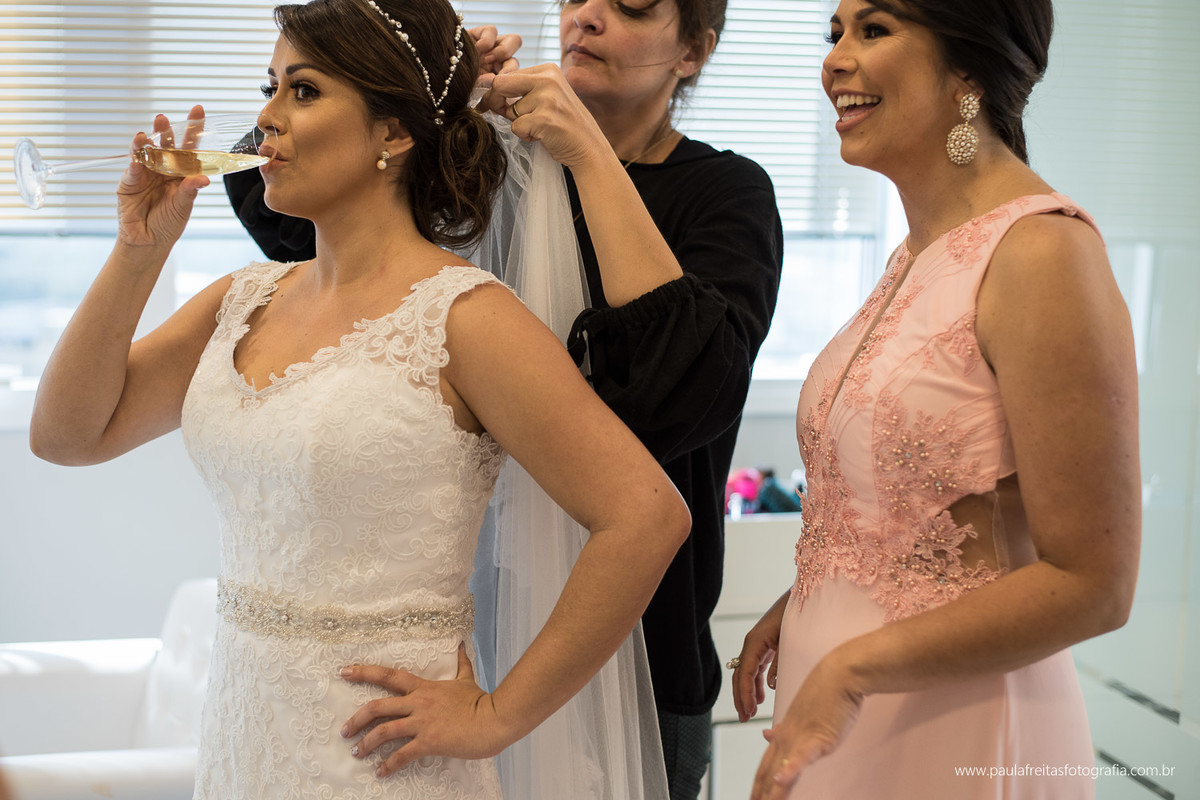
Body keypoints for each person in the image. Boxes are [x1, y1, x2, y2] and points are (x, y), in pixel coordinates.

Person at [27, 0, 692, 796]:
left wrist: (496, 717)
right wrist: (139, 253)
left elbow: (647, 515)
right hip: (244, 747)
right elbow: (66, 435)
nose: (266, 118)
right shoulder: (241, 300)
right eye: (270, 86)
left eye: (303, 90)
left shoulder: (465, 317)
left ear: (394, 132)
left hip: (381, 766)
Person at [225, 0, 785, 796]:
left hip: (640, 640)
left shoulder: (726, 193)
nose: (587, 17)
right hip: (451, 645)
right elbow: (290, 210)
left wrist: (588, 155)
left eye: (629, 5)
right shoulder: (480, 171)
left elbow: (688, 395)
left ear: (693, 50)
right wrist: (416, 87)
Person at [730, 1, 1140, 798]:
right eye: (834, 34)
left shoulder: (1043, 255)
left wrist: (850, 667)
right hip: (846, 714)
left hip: (958, 722)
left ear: (968, 68)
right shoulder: (915, 255)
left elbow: (1095, 583)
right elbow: (919, 520)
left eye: (874, 30)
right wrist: (807, 600)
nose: (835, 61)